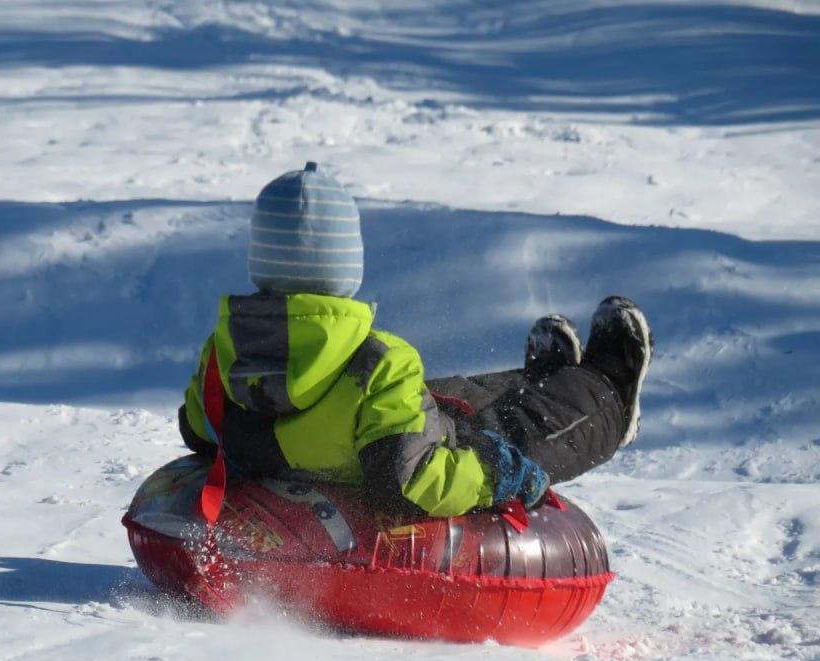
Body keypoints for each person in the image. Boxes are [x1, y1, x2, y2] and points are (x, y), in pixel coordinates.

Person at [177, 162, 653, 517]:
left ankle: (545, 379)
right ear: (346, 267)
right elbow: (409, 483)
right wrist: (492, 473)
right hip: (402, 460)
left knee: (447, 396)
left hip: (362, 443)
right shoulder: (379, 361)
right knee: (513, 429)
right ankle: (607, 395)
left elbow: (199, 429)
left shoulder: (224, 352)